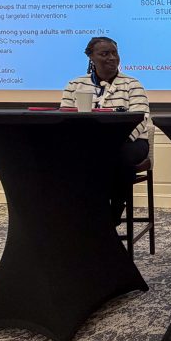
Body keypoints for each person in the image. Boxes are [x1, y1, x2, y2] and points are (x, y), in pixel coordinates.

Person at [61, 36, 150, 222]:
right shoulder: (75, 85)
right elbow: (65, 118)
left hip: (130, 142)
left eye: (115, 53)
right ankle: (81, 212)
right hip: (89, 143)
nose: (112, 58)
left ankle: (112, 215)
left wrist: (116, 141)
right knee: (70, 158)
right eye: (105, 54)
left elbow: (141, 118)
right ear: (91, 58)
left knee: (118, 157)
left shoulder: (132, 84)